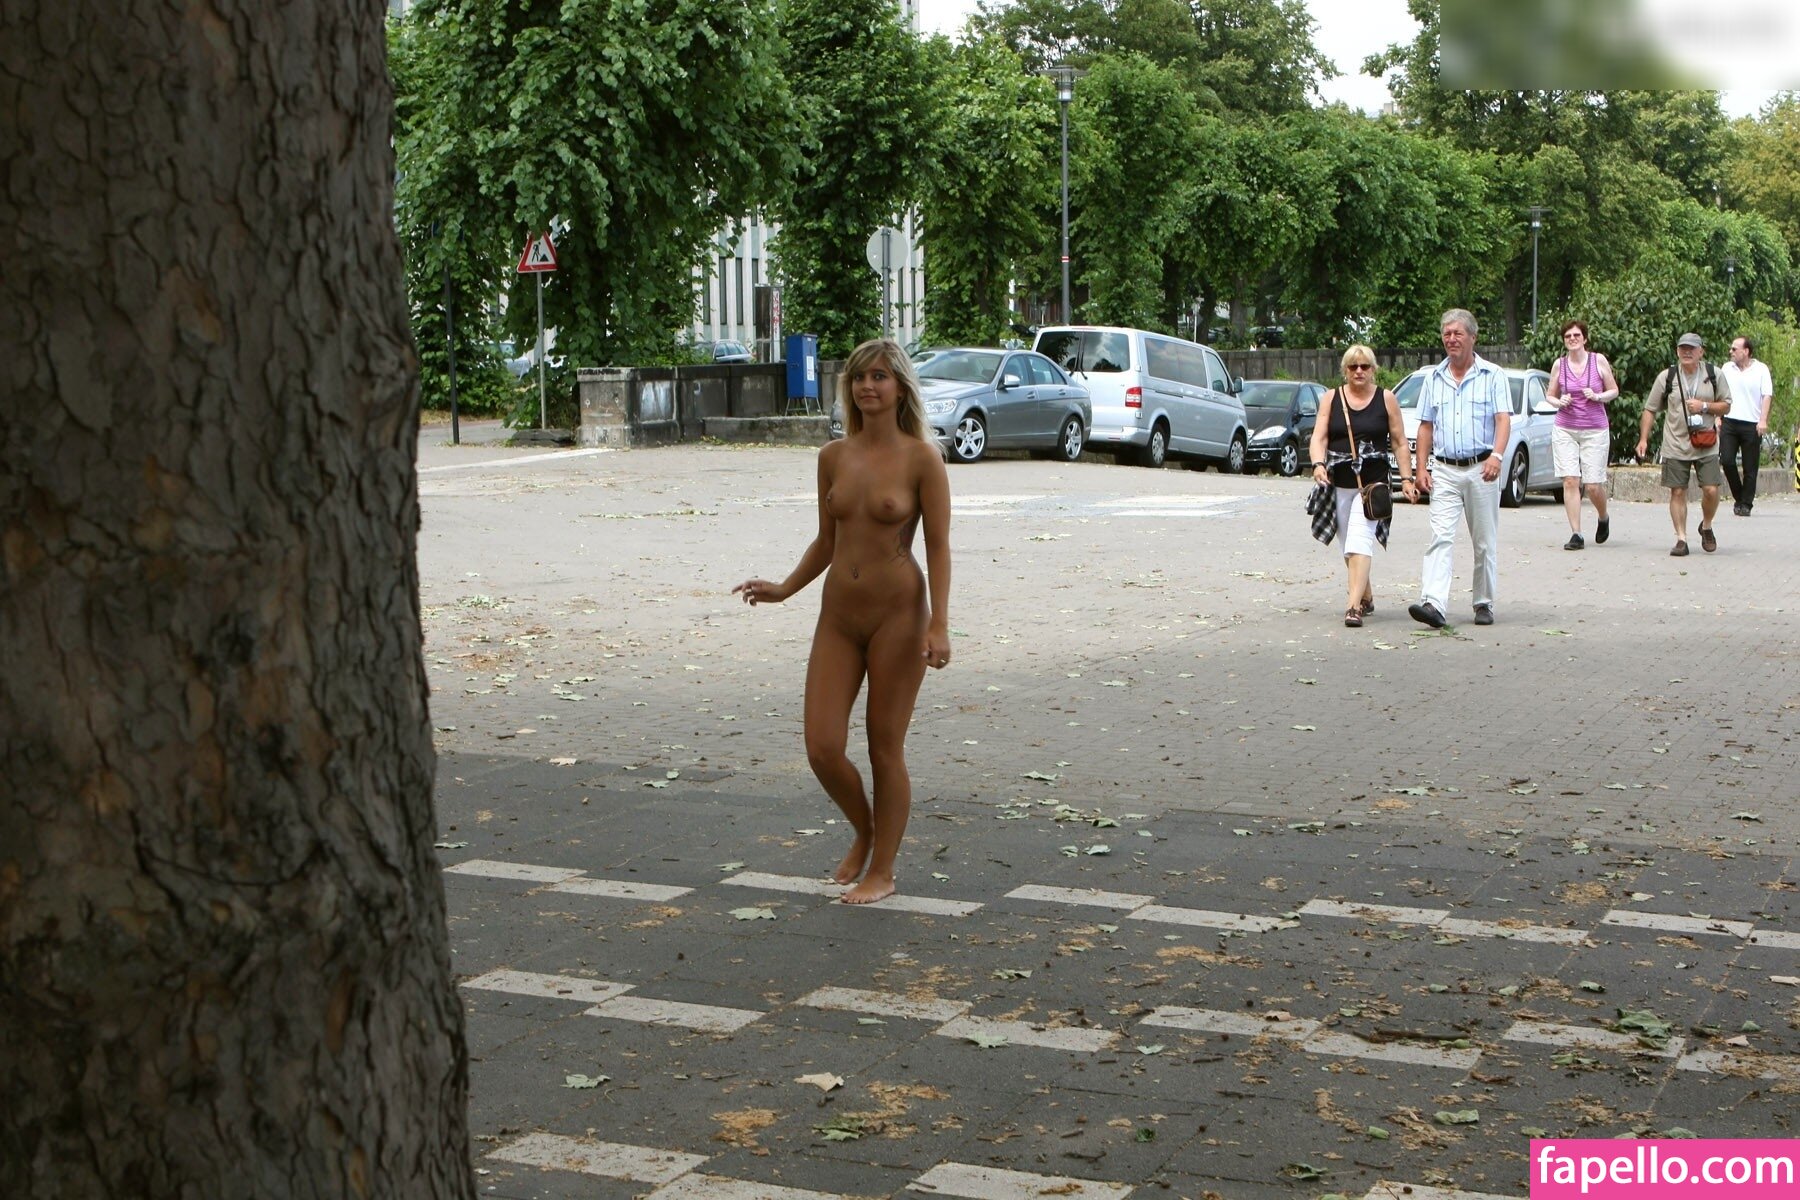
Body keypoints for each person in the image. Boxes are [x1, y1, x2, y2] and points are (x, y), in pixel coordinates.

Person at [734, 339, 952, 904]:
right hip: (838, 616)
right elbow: (827, 541)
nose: (867, 386)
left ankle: (884, 870)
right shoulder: (832, 456)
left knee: (885, 746)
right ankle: (866, 829)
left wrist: (940, 624)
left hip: (899, 615)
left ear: (900, 387)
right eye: (858, 377)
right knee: (822, 746)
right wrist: (784, 588)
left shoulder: (922, 459)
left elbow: (939, 546)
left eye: (879, 376)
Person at [1409, 309, 1512, 629]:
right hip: (1445, 469)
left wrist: (1497, 456)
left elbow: (1503, 420)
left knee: (1484, 541)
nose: (1451, 339)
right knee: (1440, 536)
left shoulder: (1492, 375)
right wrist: (1421, 468)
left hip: (1481, 468)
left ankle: (1483, 602)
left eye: (1457, 333)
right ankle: (1433, 603)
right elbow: (1426, 426)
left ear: (1472, 337)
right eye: (1446, 334)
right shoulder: (1433, 378)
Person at [1309, 345, 1417, 627]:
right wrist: (1318, 464)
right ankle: (1366, 595)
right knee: (1349, 546)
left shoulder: (1386, 399)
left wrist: (1407, 479)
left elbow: (1399, 442)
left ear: (1373, 369)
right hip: (1338, 483)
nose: (1359, 371)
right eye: (1353, 366)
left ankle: (1353, 606)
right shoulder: (1331, 398)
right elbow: (1319, 437)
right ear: (1345, 370)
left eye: (1365, 366)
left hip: (1373, 486)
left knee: (1360, 540)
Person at [1637, 332, 1728, 557]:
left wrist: (1704, 406)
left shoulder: (1713, 374)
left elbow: (1726, 405)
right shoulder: (1667, 376)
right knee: (1677, 491)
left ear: (1701, 351)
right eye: (1682, 348)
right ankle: (1681, 538)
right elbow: (1650, 409)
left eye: (1692, 348)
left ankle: (1706, 525)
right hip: (1675, 443)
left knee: (1711, 489)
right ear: (1677, 351)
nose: (1687, 352)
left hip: (1706, 442)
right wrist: (1643, 439)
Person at [1543, 320, 1618, 550]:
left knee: (1593, 485)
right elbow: (1550, 395)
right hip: (1565, 428)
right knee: (1570, 480)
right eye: (1568, 336)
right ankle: (1576, 534)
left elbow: (1614, 390)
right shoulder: (1560, 365)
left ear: (1584, 338)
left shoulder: (1598, 361)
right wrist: (1559, 401)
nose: (1572, 339)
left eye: (1576, 335)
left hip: (1595, 429)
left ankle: (1603, 516)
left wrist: (1597, 396)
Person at [1718, 334, 1774, 516]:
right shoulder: (1727, 368)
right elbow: (1719, 393)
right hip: (1730, 421)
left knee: (1750, 467)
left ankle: (1746, 504)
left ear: (1746, 351)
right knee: (1727, 461)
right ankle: (1739, 496)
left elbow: (1767, 395)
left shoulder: (1761, 369)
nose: (1731, 352)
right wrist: (1718, 417)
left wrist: (1763, 420)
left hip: (1752, 424)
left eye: (1734, 349)